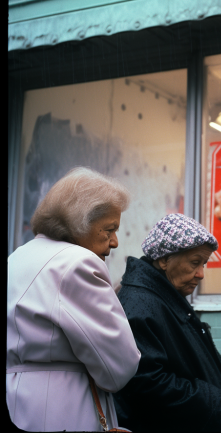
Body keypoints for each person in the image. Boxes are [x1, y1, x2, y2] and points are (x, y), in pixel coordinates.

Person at [6, 167, 141, 432]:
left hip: (18, 400)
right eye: (109, 229)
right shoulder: (77, 263)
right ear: (80, 221)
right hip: (64, 409)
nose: (114, 242)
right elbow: (119, 368)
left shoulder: (18, 256)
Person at [113, 213, 221, 432]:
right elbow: (149, 384)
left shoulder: (167, 297)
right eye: (194, 262)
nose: (201, 274)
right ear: (164, 260)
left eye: (204, 263)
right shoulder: (140, 304)